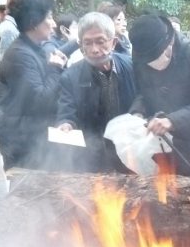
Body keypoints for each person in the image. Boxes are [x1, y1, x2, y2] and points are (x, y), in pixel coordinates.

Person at [127, 13, 190, 178]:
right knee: (169, 200)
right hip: (163, 150)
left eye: (160, 56)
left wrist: (172, 121)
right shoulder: (141, 56)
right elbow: (143, 92)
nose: (154, 65)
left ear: (171, 42)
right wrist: (137, 113)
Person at [55, 11, 137, 173]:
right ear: (81, 46)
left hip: (130, 150)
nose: (94, 50)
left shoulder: (132, 67)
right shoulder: (70, 77)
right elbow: (66, 111)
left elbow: (143, 97)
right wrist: (65, 124)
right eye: (88, 43)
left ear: (113, 43)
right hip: (93, 156)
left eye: (100, 42)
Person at [0, 0, 64, 171]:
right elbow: (40, 100)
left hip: (33, 139)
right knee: (27, 195)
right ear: (33, 22)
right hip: (22, 145)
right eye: (49, 18)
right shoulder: (20, 55)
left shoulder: (33, 49)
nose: (54, 23)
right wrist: (55, 69)